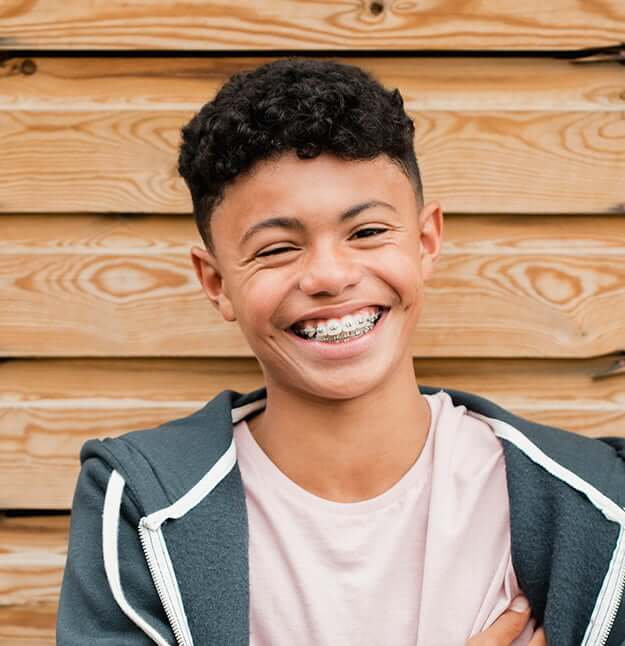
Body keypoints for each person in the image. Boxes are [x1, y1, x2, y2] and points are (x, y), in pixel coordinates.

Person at [56, 58, 625, 645]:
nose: (328, 275)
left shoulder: (595, 505)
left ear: (426, 241)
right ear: (217, 282)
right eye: (277, 248)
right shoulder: (142, 505)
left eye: (368, 232)